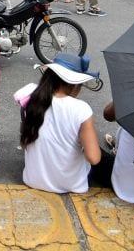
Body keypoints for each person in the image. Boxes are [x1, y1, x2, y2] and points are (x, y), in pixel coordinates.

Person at [20, 54, 106, 193]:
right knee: (102, 157)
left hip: (33, 180)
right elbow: (94, 158)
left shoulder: (30, 99)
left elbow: (25, 142)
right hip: (71, 185)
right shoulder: (81, 108)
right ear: (74, 85)